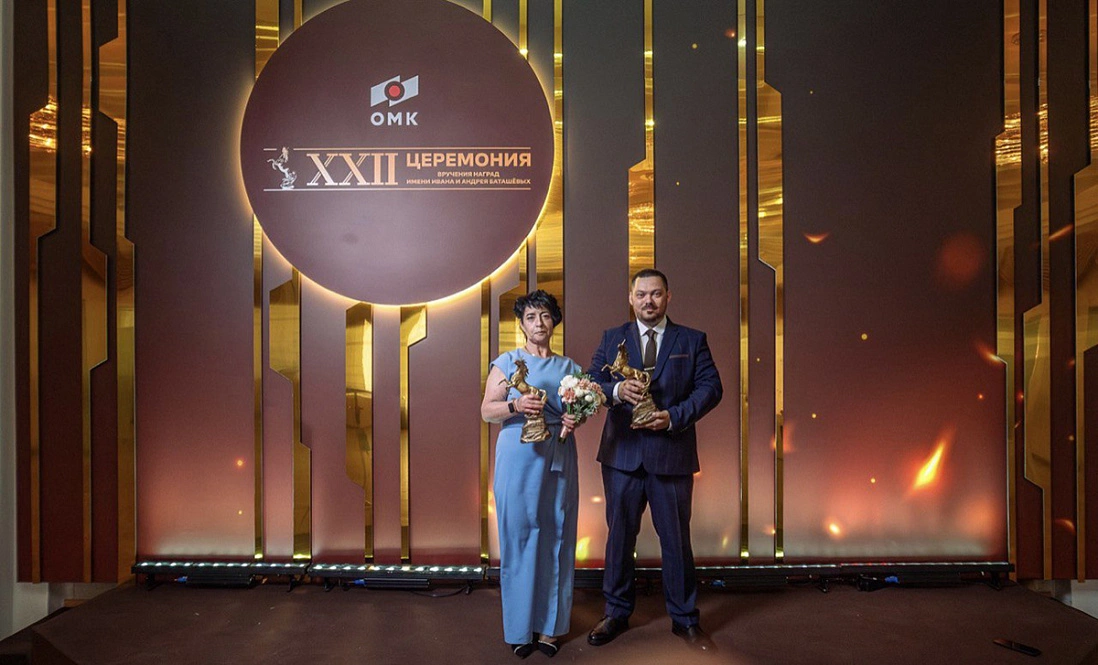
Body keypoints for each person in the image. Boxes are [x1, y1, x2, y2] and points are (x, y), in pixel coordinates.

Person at [586, 268, 723, 653]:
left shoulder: (692, 339)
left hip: (671, 454)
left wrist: (675, 416)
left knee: (676, 540)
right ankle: (615, 612)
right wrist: (616, 390)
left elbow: (711, 387)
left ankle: (685, 618)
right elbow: (591, 381)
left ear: (668, 297)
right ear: (631, 298)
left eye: (656, 294)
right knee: (619, 538)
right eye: (642, 294)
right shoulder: (612, 338)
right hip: (622, 456)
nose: (649, 301)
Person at [481, 290, 587, 659]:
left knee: (558, 535)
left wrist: (575, 418)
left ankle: (551, 628)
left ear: (554, 320)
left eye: (544, 315)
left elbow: (580, 409)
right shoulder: (507, 362)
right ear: (522, 324)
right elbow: (487, 411)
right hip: (518, 456)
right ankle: (519, 628)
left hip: (558, 454)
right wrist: (515, 404)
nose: (538, 323)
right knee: (519, 537)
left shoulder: (570, 367)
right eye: (530, 317)